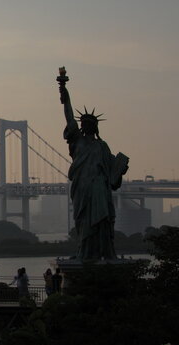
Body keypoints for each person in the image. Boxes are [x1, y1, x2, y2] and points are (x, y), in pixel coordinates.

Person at [57, 67, 128, 260]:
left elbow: (113, 174)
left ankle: (104, 252)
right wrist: (64, 89)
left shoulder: (102, 146)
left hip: (99, 187)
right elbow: (69, 115)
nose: (86, 125)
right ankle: (84, 251)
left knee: (102, 221)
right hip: (82, 188)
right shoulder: (77, 141)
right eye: (84, 123)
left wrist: (121, 169)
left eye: (90, 123)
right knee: (84, 221)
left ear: (95, 127)